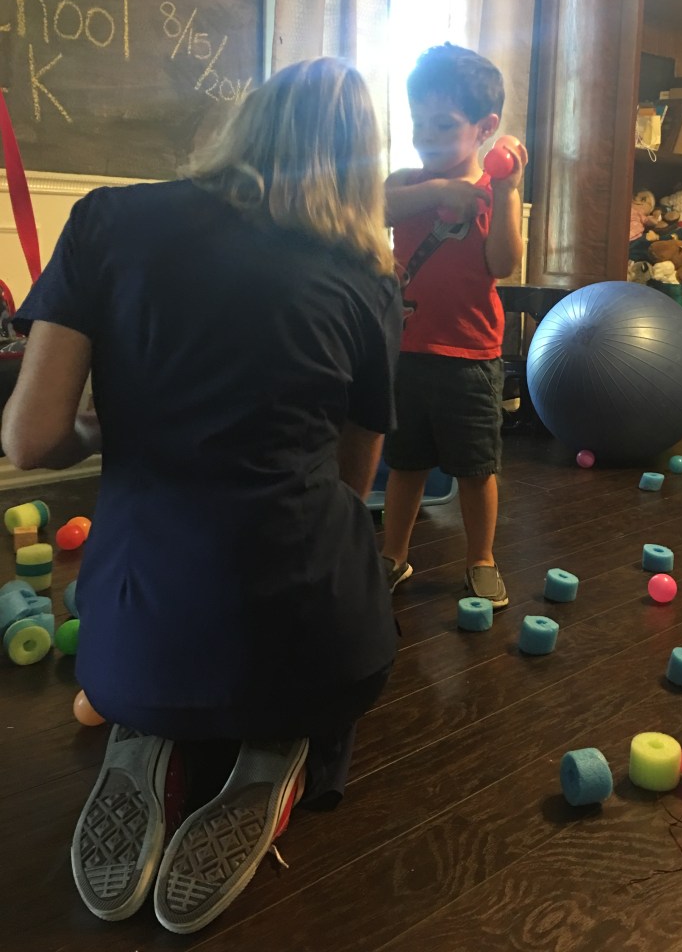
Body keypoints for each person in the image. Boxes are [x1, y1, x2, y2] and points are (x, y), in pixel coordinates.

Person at [1, 58, 402, 934]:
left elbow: (28, 440)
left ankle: (149, 721)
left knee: (147, 642)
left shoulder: (108, 219)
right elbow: (352, 480)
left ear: (245, 123)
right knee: (331, 578)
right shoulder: (367, 276)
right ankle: (283, 746)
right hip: (320, 640)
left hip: (132, 633)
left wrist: (110, 431)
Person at [380, 43, 527, 609]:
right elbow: (374, 209)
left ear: (485, 128)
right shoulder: (407, 184)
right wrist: (440, 192)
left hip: (470, 357)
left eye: (444, 125)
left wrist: (507, 192)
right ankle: (393, 555)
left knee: (475, 468)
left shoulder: (493, 192)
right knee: (405, 463)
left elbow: (502, 263)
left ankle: (481, 559)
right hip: (407, 351)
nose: (428, 137)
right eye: (419, 123)